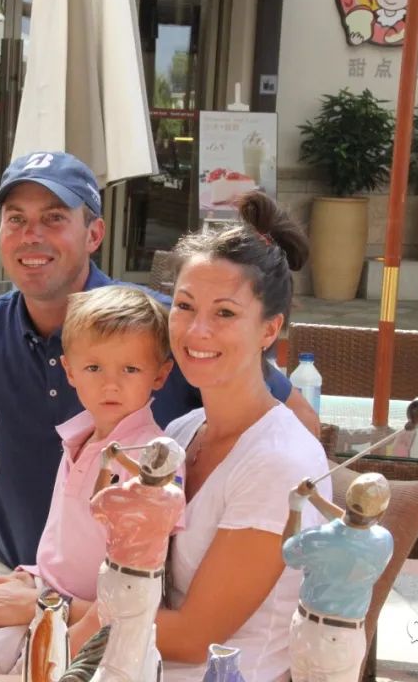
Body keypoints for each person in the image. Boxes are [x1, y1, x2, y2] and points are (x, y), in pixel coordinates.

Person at [0, 151, 320, 577]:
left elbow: (293, 422)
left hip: (135, 592)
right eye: (16, 219)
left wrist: (214, 537)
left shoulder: (170, 326)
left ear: (94, 234)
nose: (31, 234)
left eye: (54, 218)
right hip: (15, 578)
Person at [80, 191, 329, 681]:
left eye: (225, 314)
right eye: (185, 306)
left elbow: (196, 638)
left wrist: (53, 608)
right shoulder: (182, 431)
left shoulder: (279, 462)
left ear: (269, 330)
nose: (197, 331)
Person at [0, 285, 177, 675]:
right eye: (94, 368)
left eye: (130, 369)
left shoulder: (150, 459)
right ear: (70, 371)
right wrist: (33, 581)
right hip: (40, 587)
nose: (111, 384)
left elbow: (137, 578)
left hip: (87, 621)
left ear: (159, 374)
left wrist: (55, 622)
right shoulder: (78, 435)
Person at [89, 437, 185, 682]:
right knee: (124, 662)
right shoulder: (174, 497)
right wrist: (123, 460)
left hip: (110, 577)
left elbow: (96, 501)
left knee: (114, 649)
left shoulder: (115, 496)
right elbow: (156, 481)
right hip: (141, 586)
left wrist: (108, 464)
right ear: (169, 474)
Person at [283, 473, 394, 682]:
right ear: (381, 513)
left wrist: (296, 505)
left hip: (304, 628)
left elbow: (288, 552)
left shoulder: (315, 539)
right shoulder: (384, 540)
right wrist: (315, 498)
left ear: (348, 501)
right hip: (342, 639)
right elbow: (350, 524)